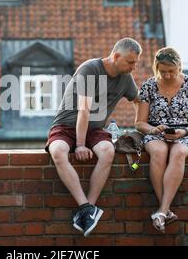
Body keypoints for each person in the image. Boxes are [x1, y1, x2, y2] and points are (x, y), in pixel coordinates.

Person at [44, 38, 142, 237]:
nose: (134, 67)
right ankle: (85, 207)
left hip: (95, 130)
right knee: (58, 152)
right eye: (130, 62)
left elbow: (139, 100)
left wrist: (141, 124)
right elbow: (84, 110)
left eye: (135, 62)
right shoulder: (90, 69)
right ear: (116, 56)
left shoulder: (125, 77)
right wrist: (80, 145)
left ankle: (88, 208)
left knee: (107, 151)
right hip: (66, 126)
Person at [135, 47, 188, 233]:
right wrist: (153, 129)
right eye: (162, 71)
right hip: (155, 133)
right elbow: (139, 123)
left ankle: (162, 210)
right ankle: (164, 210)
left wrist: (184, 131)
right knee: (159, 152)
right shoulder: (148, 86)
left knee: (179, 152)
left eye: (171, 72)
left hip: (186, 134)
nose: (166, 75)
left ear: (180, 67)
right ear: (156, 68)